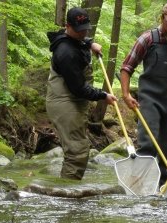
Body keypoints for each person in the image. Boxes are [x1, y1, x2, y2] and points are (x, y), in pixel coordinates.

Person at [119, 2, 167, 185]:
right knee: (149, 144)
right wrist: (126, 94)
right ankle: (142, 184)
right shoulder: (148, 39)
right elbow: (126, 67)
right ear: (162, 18)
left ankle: (163, 187)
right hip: (150, 100)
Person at [46, 7, 117, 180]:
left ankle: (67, 192)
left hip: (73, 102)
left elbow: (79, 40)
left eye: (85, 28)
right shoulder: (65, 53)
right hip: (65, 102)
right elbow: (78, 88)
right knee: (77, 152)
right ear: (67, 26)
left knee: (77, 150)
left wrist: (90, 43)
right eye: (79, 30)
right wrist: (103, 95)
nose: (83, 33)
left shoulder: (74, 40)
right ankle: (67, 199)